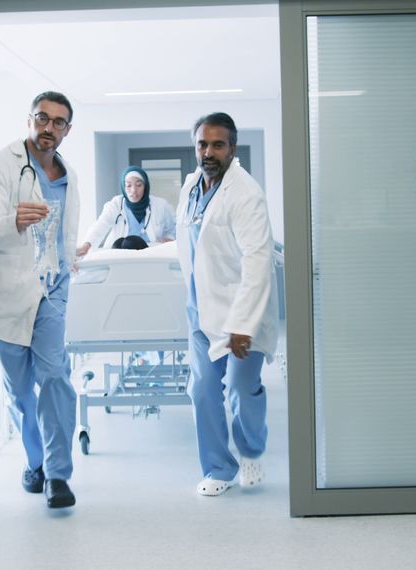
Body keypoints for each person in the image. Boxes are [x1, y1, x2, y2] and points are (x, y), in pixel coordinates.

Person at [0, 91, 80, 509]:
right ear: (30, 120)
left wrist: (69, 264)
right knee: (20, 389)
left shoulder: (67, 174)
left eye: (59, 122)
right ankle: (36, 461)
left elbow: (66, 233)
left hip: (52, 290)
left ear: (67, 130)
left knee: (56, 377)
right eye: (43, 118)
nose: (49, 128)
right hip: (7, 291)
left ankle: (58, 475)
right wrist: (14, 222)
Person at [176, 112, 278, 496]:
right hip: (200, 308)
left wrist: (243, 322)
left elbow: (257, 261)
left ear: (232, 149)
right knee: (202, 390)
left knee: (240, 387)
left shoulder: (246, 194)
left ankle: (251, 450)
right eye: (202, 144)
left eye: (218, 144)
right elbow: (192, 241)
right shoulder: (191, 186)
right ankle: (219, 469)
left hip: (242, 309)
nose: (209, 151)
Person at [76, 165, 176, 256]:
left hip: (152, 254)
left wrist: (169, 239)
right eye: (128, 185)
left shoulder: (160, 205)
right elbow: (101, 225)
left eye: (139, 185)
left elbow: (172, 229)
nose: (133, 190)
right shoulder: (116, 204)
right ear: (124, 187)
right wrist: (87, 244)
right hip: (121, 255)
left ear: (145, 186)